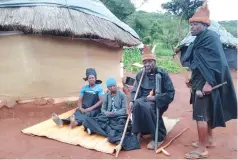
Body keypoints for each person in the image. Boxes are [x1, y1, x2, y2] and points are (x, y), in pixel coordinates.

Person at [180, 2, 237, 159]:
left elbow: (216, 63)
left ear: (204, 25)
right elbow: (199, 61)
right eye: (191, 24)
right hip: (200, 80)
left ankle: (202, 149)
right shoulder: (199, 38)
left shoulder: (210, 38)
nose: (191, 27)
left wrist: (209, 83)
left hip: (207, 83)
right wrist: (192, 77)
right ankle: (209, 140)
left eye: (195, 24)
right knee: (207, 113)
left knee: (201, 116)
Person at [128, 45, 175, 150]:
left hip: (158, 101)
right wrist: (131, 100)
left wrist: (155, 98)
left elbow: (171, 93)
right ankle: (139, 131)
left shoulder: (162, 74)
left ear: (155, 62)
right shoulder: (141, 74)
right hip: (143, 99)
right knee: (136, 104)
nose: (147, 64)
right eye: (145, 62)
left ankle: (159, 136)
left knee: (147, 107)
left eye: (150, 62)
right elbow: (136, 90)